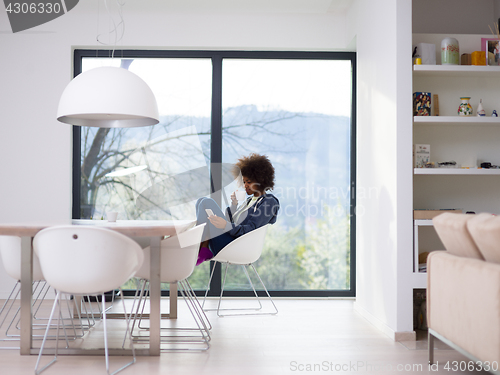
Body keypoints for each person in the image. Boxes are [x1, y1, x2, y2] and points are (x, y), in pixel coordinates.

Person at [195, 153, 279, 265]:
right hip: (229, 242)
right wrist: (234, 205)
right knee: (201, 201)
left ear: (261, 179)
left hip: (237, 246)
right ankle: (203, 247)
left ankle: (198, 248)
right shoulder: (249, 201)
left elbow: (249, 229)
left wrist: (225, 225)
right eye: (244, 182)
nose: (245, 186)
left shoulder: (268, 201)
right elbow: (231, 222)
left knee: (206, 202)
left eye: (249, 182)